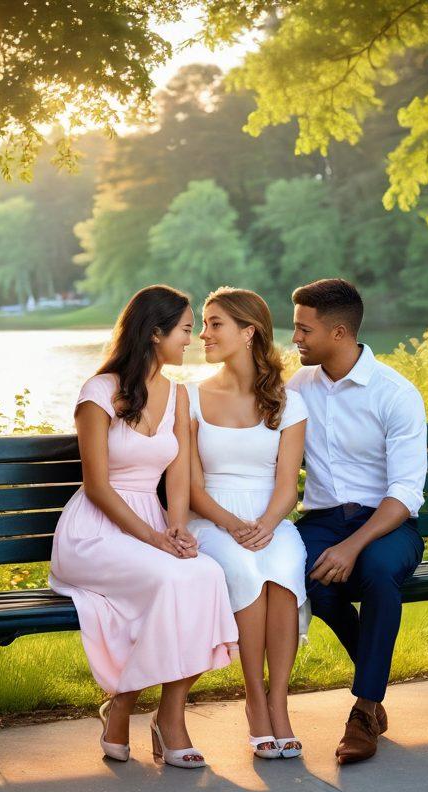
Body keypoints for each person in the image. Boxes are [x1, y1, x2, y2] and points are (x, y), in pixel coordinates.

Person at [49, 285, 239, 769]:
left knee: (207, 574)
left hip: (150, 528)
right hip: (94, 532)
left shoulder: (176, 394)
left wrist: (176, 528)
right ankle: (124, 706)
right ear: (155, 333)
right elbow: (96, 486)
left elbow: (177, 473)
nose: (191, 340)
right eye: (185, 329)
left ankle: (168, 716)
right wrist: (154, 538)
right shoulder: (99, 392)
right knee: (173, 578)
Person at [287, 278, 427, 765]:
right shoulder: (296, 388)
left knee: (377, 574)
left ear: (339, 332)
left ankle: (364, 709)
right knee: (305, 576)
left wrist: (353, 547)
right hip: (323, 520)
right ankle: (373, 677)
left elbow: (406, 493)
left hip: (387, 524)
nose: (295, 339)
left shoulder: (394, 393)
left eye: (304, 330)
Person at [186, 288, 310, 760]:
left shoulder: (286, 400)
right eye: (203, 323)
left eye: (215, 324)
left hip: (270, 519)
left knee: (282, 568)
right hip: (213, 519)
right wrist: (233, 525)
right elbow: (193, 488)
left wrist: (266, 523)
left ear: (248, 331)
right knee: (243, 571)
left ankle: (279, 702)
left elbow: (288, 487)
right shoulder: (192, 399)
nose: (203, 333)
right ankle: (254, 701)